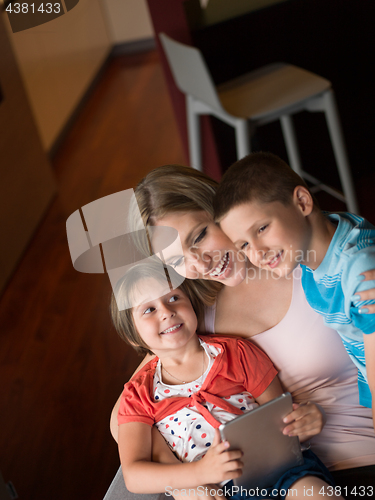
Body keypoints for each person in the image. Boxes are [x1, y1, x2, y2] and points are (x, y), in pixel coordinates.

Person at [110, 164, 375, 480]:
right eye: (178, 261)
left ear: (222, 208)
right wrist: (187, 481)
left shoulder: (299, 252)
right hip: (272, 470)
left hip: (358, 454)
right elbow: (122, 418)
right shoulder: (192, 312)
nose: (200, 263)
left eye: (201, 235)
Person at [112, 260, 339, 500]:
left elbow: (281, 417)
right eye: (149, 310)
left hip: (279, 469)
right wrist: (197, 474)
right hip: (215, 492)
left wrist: (303, 422)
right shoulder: (137, 395)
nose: (167, 311)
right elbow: (134, 475)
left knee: (313, 493)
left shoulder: (237, 352)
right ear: (133, 337)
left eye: (174, 298)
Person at [213, 152, 375, 422]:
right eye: (243, 245)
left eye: (262, 228)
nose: (258, 252)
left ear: (302, 202)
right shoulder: (323, 241)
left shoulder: (360, 275)